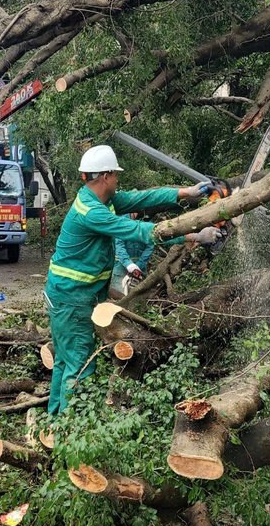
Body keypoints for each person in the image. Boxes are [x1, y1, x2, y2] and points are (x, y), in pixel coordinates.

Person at [43, 144, 223, 431]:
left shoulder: (102, 199)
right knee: (78, 364)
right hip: (71, 299)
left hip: (72, 294)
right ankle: (68, 435)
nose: (118, 180)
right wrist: (195, 235)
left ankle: (53, 423)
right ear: (105, 176)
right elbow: (141, 231)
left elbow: (144, 197)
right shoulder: (92, 213)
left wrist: (185, 193)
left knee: (65, 361)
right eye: (115, 175)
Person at [111, 213, 155, 294]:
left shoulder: (148, 223)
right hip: (121, 265)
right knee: (119, 295)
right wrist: (129, 264)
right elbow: (119, 245)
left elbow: (150, 245)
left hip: (141, 267)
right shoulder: (122, 222)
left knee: (139, 297)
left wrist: (139, 265)